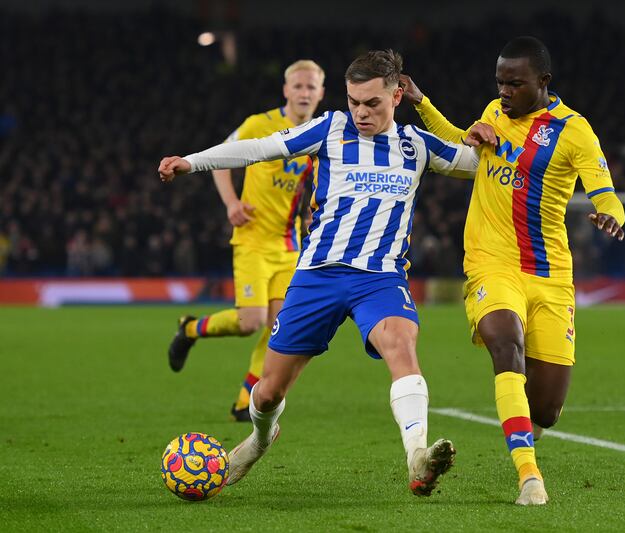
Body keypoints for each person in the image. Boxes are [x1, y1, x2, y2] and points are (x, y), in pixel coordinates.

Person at [158, 49, 489, 497]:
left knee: (401, 346)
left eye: (372, 103)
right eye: (354, 101)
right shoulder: (330, 128)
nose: (360, 112)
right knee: (269, 390)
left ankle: (417, 455)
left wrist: (480, 132)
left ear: (397, 95)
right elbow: (259, 149)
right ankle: (258, 439)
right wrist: (192, 161)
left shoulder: (417, 144)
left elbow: (481, 166)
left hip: (380, 277)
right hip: (317, 275)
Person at [400, 35, 625, 505]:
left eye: (515, 83)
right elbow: (461, 148)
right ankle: (529, 478)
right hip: (491, 264)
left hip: (549, 274)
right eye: (500, 82)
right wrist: (421, 103)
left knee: (547, 407)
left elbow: (604, 189)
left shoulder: (573, 130)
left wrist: (610, 215)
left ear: (543, 82)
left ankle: (530, 424)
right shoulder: (494, 113)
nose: (504, 91)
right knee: (506, 344)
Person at [167, 60, 325, 422]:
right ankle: (190, 328)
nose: (304, 93)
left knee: (279, 325)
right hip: (253, 240)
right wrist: (232, 204)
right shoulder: (260, 124)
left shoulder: (321, 132)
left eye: (310, 87)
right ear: (286, 90)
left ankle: (244, 400)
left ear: (321, 93)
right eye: (298, 86)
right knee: (249, 322)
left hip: (289, 246)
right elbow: (222, 159)